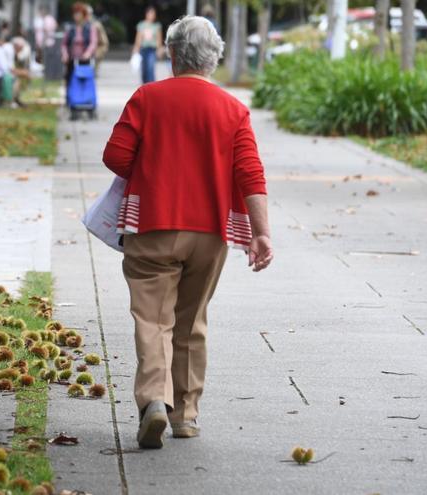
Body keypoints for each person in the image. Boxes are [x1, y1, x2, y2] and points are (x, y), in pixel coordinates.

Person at [102, 16, 272, 449]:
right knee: (190, 322)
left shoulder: (147, 97)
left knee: (152, 319)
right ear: (213, 59)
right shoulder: (233, 110)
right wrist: (261, 233)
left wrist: (154, 172)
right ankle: (185, 416)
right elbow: (250, 173)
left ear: (172, 54)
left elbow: (116, 156)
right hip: (210, 232)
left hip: (153, 224)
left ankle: (154, 402)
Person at [61, 2, 98, 104]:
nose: (76, 16)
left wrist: (87, 54)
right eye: (75, 13)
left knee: (84, 81)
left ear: (83, 15)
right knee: (70, 80)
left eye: (79, 13)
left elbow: (93, 42)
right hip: (72, 59)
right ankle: (70, 102)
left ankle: (85, 101)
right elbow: (64, 44)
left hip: (85, 60)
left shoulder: (90, 28)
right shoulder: (70, 28)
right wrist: (65, 54)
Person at [133, 6, 163, 84]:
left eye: (153, 14)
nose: (152, 15)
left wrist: (159, 49)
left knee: (150, 68)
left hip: (152, 49)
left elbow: (159, 39)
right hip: (143, 49)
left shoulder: (157, 26)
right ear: (146, 14)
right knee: (144, 69)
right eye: (150, 13)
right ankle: (145, 85)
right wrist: (136, 48)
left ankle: (151, 85)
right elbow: (138, 38)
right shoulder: (141, 25)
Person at [87, 4, 110, 76]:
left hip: (97, 48)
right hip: (87, 50)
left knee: (93, 69)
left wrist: (102, 48)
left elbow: (103, 40)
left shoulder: (96, 24)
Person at [10, 36, 32, 107]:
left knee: (20, 78)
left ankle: (16, 99)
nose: (21, 50)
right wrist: (23, 72)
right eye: (21, 48)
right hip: (0, 75)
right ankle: (12, 100)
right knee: (17, 79)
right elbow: (10, 69)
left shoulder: (13, 52)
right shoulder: (10, 51)